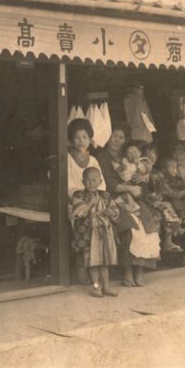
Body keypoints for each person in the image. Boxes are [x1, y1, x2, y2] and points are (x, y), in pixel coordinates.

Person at [96, 128, 159, 287]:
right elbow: (108, 184)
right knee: (130, 227)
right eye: (114, 136)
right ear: (108, 137)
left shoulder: (127, 156)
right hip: (113, 199)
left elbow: (141, 180)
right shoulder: (103, 157)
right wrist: (130, 188)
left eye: (121, 137)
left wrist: (143, 178)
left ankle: (140, 270)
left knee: (148, 226)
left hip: (135, 199)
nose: (117, 140)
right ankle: (128, 270)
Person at [71, 167, 119, 298]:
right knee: (92, 261)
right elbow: (78, 212)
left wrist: (110, 213)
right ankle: (96, 287)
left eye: (94, 180)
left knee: (104, 260)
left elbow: (115, 210)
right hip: (88, 232)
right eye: (88, 181)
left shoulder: (105, 196)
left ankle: (106, 287)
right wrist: (90, 204)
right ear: (83, 182)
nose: (91, 183)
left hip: (104, 231)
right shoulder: (78, 195)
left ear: (100, 181)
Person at [67, 118, 105, 284]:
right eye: (77, 137)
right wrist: (81, 200)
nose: (81, 140)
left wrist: (94, 199)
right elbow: (67, 186)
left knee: (101, 223)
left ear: (90, 140)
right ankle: (81, 269)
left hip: (94, 199)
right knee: (83, 225)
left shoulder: (93, 161)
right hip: (75, 200)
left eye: (84, 137)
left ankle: (97, 270)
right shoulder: (67, 159)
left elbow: (101, 184)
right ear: (71, 140)